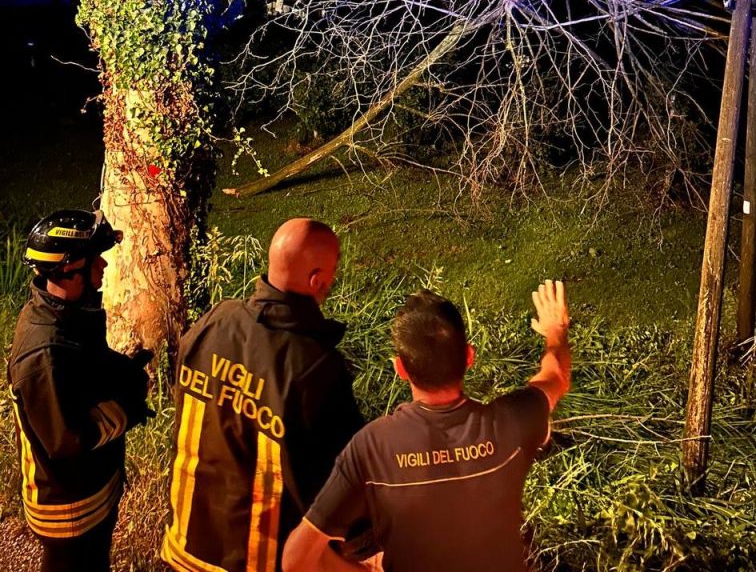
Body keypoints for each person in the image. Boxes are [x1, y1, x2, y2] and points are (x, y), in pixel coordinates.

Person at [283, 280, 571, 572]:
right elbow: (557, 374)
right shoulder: (512, 422)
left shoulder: (372, 447)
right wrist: (555, 329)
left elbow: (295, 559)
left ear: (400, 369)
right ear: (469, 356)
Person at [161, 217, 364, 572]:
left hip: (186, 547)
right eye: (332, 270)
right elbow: (341, 479)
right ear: (316, 279)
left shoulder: (215, 321)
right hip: (253, 560)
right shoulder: (314, 366)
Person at [7, 209, 153, 572]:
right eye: (94, 258)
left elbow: (86, 365)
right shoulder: (42, 354)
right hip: (69, 509)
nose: (103, 264)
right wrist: (128, 407)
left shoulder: (67, 313)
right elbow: (66, 439)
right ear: (69, 270)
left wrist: (123, 370)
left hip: (91, 490)